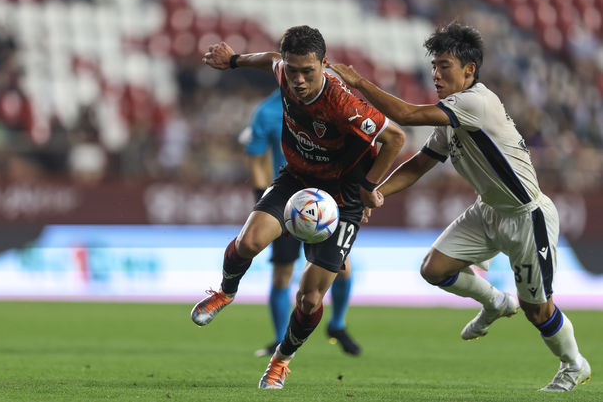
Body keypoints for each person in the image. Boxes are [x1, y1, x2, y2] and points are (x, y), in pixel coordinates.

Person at [329, 21, 591, 392]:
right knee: (434, 269)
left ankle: (573, 364)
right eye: (434, 66)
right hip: (488, 211)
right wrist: (377, 192)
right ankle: (495, 302)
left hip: (526, 216)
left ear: (469, 70)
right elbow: (420, 163)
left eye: (444, 66)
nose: (436, 74)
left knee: (538, 310)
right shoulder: (452, 114)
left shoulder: (476, 103)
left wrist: (358, 83)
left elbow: (406, 115)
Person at [192, 25, 406, 389]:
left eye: (309, 71)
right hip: (296, 179)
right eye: (294, 71)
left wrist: (369, 187)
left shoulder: (344, 103)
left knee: (308, 298)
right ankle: (226, 292)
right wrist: (234, 62)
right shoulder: (283, 70)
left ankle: (281, 360)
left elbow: (396, 138)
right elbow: (271, 60)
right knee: (248, 243)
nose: (300, 79)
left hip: (343, 197)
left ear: (325, 64)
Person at [241, 88, 361, 357]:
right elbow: (256, 157)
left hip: (326, 201)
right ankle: (279, 338)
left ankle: (337, 325)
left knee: (342, 267)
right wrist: (262, 198)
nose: (298, 78)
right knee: (282, 272)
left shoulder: (332, 103)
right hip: (287, 202)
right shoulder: (267, 111)